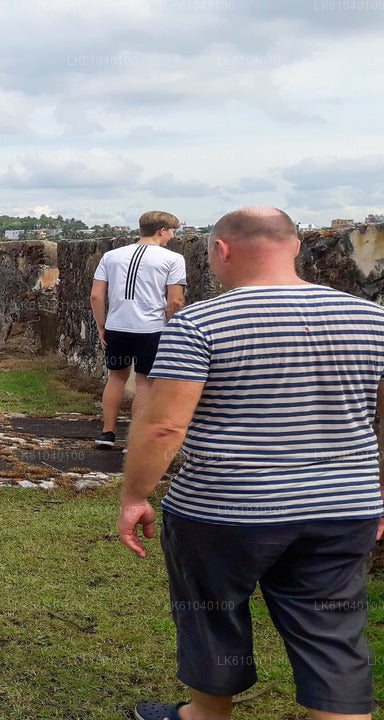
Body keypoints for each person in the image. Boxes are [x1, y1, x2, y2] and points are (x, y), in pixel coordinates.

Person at [118, 207, 384, 720]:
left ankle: (206, 714)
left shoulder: (199, 324)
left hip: (224, 508)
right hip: (342, 506)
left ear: (221, 250)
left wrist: (136, 495)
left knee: (212, 616)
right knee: (332, 631)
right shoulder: (374, 319)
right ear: (297, 246)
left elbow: (163, 427)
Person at [90, 211, 186, 447]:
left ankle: (108, 433)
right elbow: (175, 302)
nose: (172, 237)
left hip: (117, 326)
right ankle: (136, 439)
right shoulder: (173, 259)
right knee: (144, 382)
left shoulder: (111, 256)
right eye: (173, 232)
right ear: (161, 231)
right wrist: (172, 329)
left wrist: (102, 327)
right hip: (151, 329)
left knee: (116, 378)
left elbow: (96, 296)